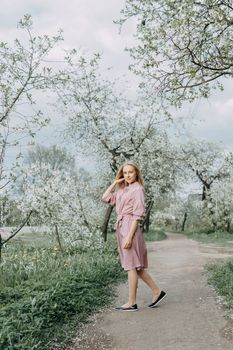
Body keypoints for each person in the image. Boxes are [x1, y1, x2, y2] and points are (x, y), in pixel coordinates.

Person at [101, 161, 166, 311]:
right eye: (125, 173)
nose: (128, 175)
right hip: (121, 227)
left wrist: (129, 236)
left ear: (136, 173)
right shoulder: (123, 190)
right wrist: (115, 183)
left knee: (131, 266)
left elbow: (137, 215)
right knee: (135, 267)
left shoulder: (137, 190)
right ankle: (157, 291)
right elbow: (105, 198)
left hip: (130, 227)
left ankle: (132, 302)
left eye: (131, 172)